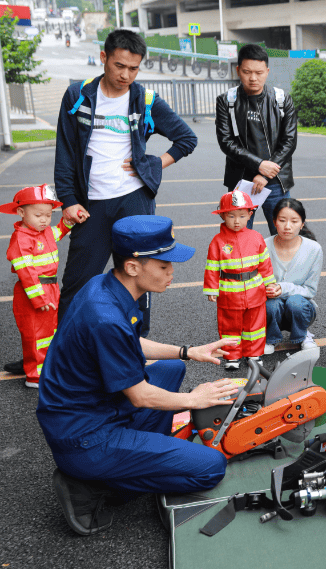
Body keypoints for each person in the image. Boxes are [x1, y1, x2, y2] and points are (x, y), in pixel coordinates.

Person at [36, 215, 241, 536]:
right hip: (85, 439)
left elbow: (131, 342)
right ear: (133, 267)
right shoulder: (105, 318)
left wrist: (190, 351)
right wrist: (194, 399)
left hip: (91, 411)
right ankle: (91, 487)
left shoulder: (104, 286)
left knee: (173, 368)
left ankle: (137, 455)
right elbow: (140, 395)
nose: (171, 272)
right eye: (163, 266)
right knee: (211, 468)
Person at [55, 28, 197, 337]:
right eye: (120, 66)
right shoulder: (78, 95)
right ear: (104, 58)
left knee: (139, 280)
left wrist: (153, 163)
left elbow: (186, 138)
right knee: (78, 283)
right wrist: (68, 200)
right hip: (91, 204)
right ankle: (63, 352)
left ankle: (134, 349)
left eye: (134, 68)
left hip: (134, 201)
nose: (126, 74)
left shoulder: (144, 99)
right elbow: (65, 151)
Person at [215, 43, 298, 235]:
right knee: (237, 238)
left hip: (276, 182)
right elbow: (226, 142)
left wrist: (266, 173)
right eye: (247, 72)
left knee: (283, 236)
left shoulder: (282, 99)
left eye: (259, 72)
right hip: (241, 183)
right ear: (238, 70)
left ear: (267, 71)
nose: (253, 78)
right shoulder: (227, 101)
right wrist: (259, 165)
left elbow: (289, 141)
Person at [3, 185, 74, 388]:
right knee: (35, 334)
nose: (44, 220)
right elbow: (26, 272)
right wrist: (39, 298)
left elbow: (58, 232)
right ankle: (34, 376)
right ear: (21, 212)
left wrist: (68, 222)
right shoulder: (22, 238)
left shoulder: (43, 231)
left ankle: (45, 368)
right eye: (38, 215)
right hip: (34, 292)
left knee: (49, 332)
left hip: (50, 289)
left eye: (48, 215)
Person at [203, 190, 277, 369]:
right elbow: (212, 268)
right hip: (229, 293)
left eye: (242, 216)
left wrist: (270, 283)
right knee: (230, 326)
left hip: (255, 292)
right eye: (231, 216)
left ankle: (254, 354)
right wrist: (212, 289)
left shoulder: (256, 237)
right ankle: (232, 357)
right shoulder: (218, 241)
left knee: (255, 326)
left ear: (250, 215)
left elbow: (264, 264)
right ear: (222, 216)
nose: (237, 221)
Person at [264, 198, 322, 355]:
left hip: (300, 308)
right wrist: (267, 290)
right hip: (270, 307)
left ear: (302, 224)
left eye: (294, 221)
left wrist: (283, 288)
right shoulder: (263, 246)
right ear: (274, 221)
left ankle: (302, 335)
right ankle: (270, 338)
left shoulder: (314, 249)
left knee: (295, 302)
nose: (287, 226)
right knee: (271, 303)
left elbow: (310, 291)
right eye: (282, 220)